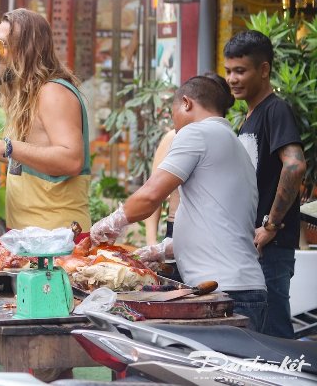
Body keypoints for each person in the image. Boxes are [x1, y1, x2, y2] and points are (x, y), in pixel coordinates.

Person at [89, 75, 268, 331]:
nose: (175, 127)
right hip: (243, 289)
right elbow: (220, 227)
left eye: (173, 116)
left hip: (225, 292)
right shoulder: (234, 145)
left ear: (186, 103)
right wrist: (163, 250)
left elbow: (151, 195)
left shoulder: (198, 132)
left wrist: (113, 221)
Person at [0, 8, 92, 231]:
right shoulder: (30, 91)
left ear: (26, 49)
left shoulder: (53, 92)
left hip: (56, 237)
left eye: (2, 45)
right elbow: (33, 160)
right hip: (28, 233)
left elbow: (71, 160)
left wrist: (7, 146)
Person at [224, 30, 306, 338]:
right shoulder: (249, 116)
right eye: (229, 70)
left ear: (264, 70)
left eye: (240, 71)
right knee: (257, 335)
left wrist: (270, 226)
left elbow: (295, 165)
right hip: (252, 248)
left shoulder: (276, 109)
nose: (232, 78)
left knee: (274, 338)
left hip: (270, 249)